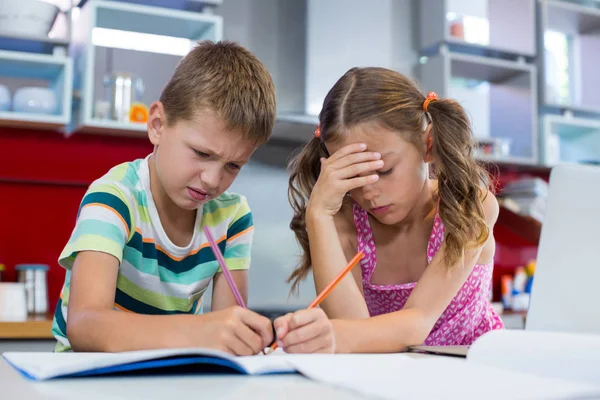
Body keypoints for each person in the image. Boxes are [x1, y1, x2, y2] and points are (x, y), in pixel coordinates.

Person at [52, 41, 330, 355]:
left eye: (233, 165)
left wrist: (248, 338)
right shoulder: (114, 198)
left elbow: (229, 329)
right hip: (87, 376)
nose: (213, 179)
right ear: (157, 125)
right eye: (201, 153)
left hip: (173, 376)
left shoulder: (233, 217)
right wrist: (200, 331)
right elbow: (85, 326)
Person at [275, 67, 503, 353]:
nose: (369, 192)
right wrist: (318, 215)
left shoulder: (468, 205)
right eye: (353, 176)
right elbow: (355, 333)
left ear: (427, 145)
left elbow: (418, 323)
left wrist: (331, 334)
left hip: (475, 375)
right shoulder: (344, 223)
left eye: (383, 170)